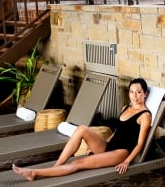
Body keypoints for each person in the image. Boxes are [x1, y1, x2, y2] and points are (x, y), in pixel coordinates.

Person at [12, 78, 152, 181]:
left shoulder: (145, 116)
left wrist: (126, 161)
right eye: (132, 92)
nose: (135, 95)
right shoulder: (126, 108)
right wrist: (99, 147)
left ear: (145, 94)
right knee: (82, 129)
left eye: (139, 92)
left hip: (120, 152)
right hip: (109, 146)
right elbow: (117, 132)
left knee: (77, 163)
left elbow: (140, 144)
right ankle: (57, 165)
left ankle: (35, 173)